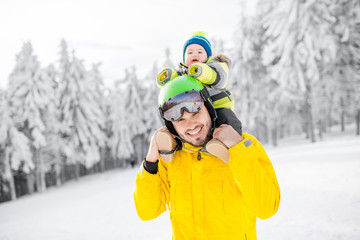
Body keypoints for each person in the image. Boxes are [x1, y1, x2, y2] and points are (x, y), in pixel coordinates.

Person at [134, 76, 281, 240]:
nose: (191, 125)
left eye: (196, 112)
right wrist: (150, 162)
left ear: (209, 108)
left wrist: (237, 147)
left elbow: (267, 207)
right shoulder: (171, 159)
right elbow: (147, 211)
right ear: (170, 125)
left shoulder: (245, 145)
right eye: (180, 119)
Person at [156, 31, 242, 163]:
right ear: (184, 59)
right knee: (178, 124)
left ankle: (228, 145)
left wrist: (201, 71)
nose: (194, 55)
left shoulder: (215, 66)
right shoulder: (184, 74)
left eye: (199, 52)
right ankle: (170, 146)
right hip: (195, 108)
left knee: (227, 122)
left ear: (208, 56)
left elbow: (217, 78)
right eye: (190, 53)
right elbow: (173, 85)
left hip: (219, 106)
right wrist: (167, 78)